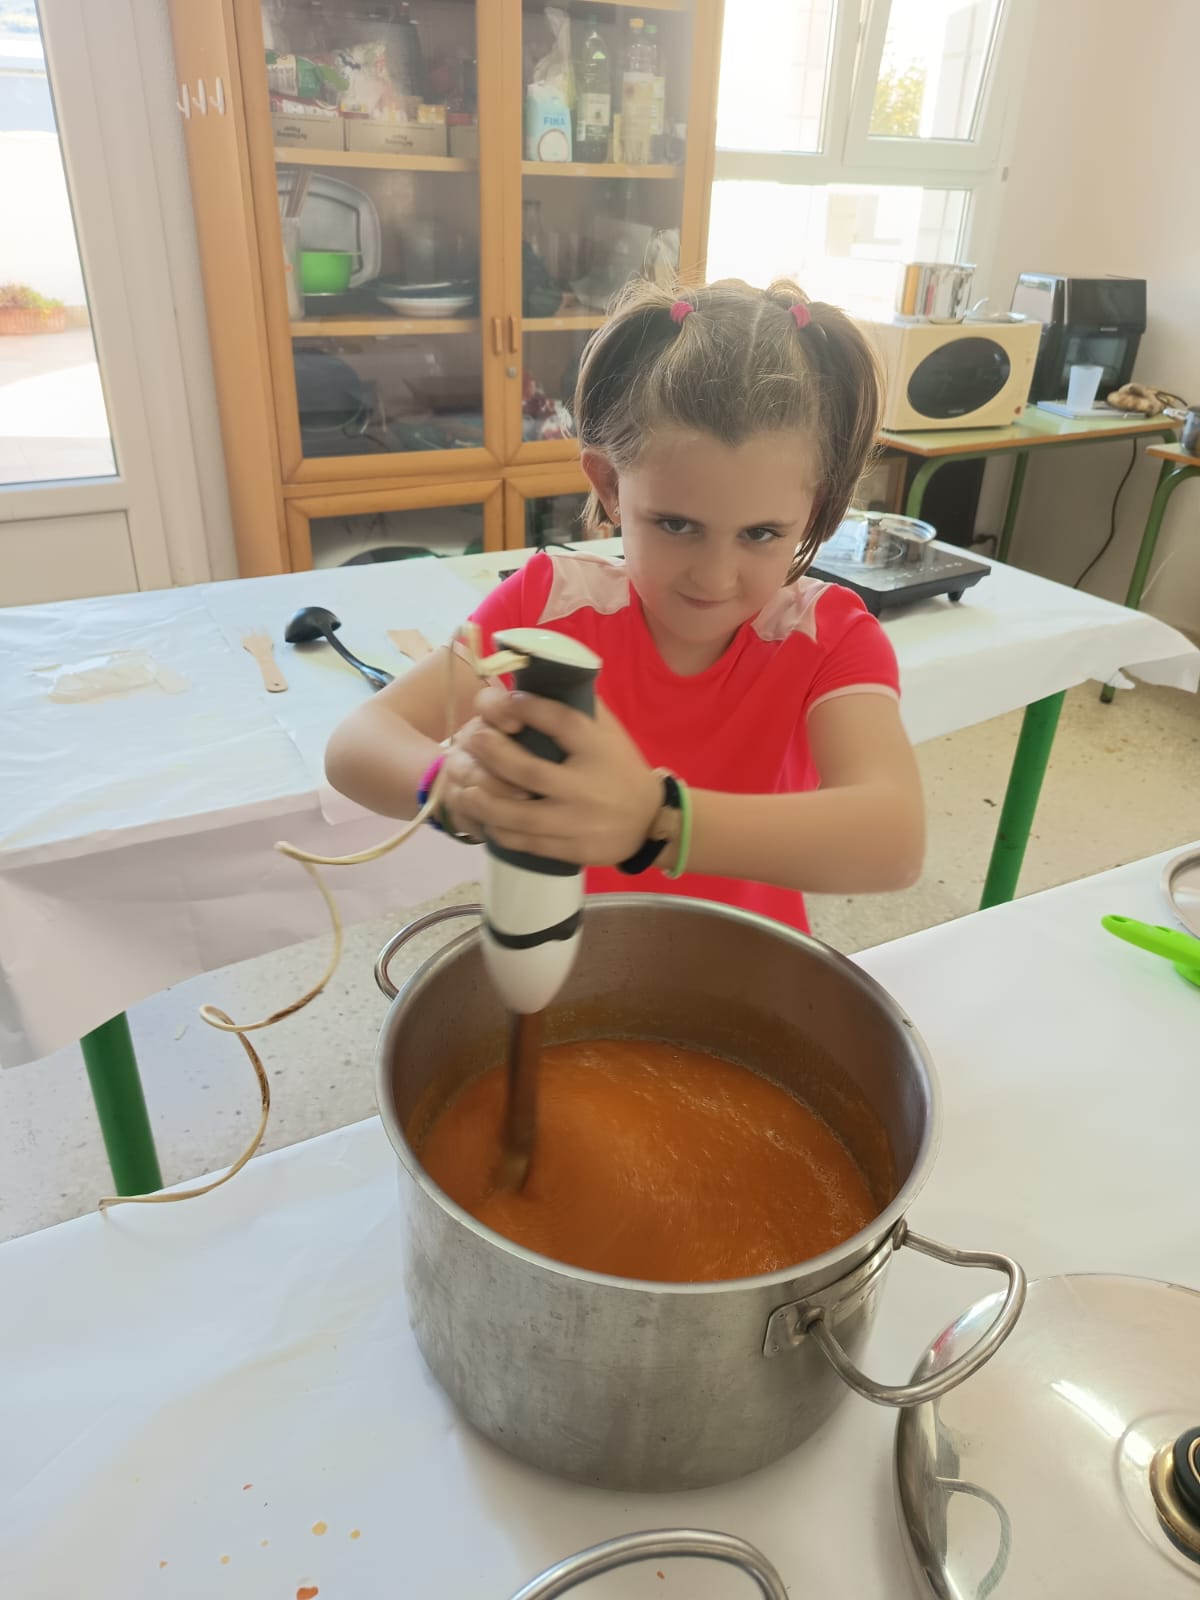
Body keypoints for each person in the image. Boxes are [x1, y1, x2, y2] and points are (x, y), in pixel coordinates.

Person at [326, 279, 924, 933]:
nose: (715, 577)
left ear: (814, 511)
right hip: (568, 958)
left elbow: (893, 842)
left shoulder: (829, 639)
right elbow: (358, 743)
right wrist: (449, 785)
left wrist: (657, 821)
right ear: (610, 486)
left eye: (760, 534)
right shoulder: (547, 606)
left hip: (748, 962)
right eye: (676, 525)